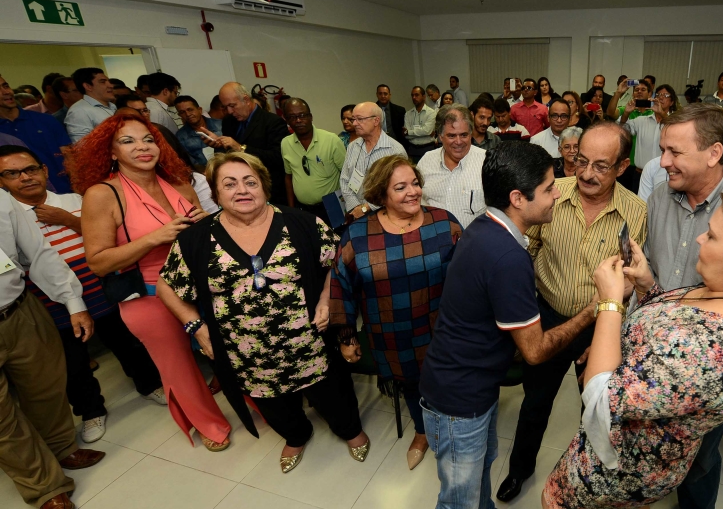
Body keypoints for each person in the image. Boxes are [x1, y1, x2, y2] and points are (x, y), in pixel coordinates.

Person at [544, 185, 723, 509]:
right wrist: (647, 284)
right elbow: (673, 326)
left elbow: (601, 397)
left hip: (618, 471)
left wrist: (609, 303)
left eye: (713, 236)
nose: (701, 239)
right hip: (609, 442)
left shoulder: (720, 349)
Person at [156, 151, 369, 472]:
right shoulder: (195, 239)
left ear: (265, 187)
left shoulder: (303, 223)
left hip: (310, 343)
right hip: (247, 354)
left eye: (249, 182)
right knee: (274, 405)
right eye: (229, 184)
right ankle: (296, 435)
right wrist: (197, 327)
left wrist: (326, 299)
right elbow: (166, 287)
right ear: (215, 193)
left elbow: (335, 266)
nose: (241, 190)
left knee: (333, 394)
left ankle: (351, 431)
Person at [420, 140, 596, 509]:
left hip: (469, 388)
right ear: (517, 197)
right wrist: (592, 310)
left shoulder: (485, 227)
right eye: (549, 188)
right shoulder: (508, 257)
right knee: (459, 502)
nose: (556, 197)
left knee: (477, 485)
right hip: (459, 400)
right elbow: (534, 352)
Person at [497, 122, 647, 503]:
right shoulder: (549, 195)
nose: (586, 174)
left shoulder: (636, 212)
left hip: (600, 327)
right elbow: (523, 252)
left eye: (601, 165)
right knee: (535, 403)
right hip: (545, 317)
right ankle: (519, 470)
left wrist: (607, 331)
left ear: (622, 166)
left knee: (597, 412)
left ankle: (588, 484)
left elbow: (632, 280)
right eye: (581, 161)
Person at [76, 111, 233, 451]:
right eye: (128, 141)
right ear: (111, 151)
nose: (142, 147)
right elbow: (98, 262)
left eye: (148, 139)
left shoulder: (178, 181)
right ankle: (208, 424)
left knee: (229, 350)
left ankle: (259, 405)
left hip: (202, 286)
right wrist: (154, 238)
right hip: (148, 296)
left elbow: (206, 233)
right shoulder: (102, 194)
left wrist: (207, 222)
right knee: (179, 367)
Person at [0, 145, 165, 443]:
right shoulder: (8, 218)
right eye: (12, 174)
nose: (24, 178)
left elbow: (114, 238)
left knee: (128, 342)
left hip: (102, 289)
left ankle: (150, 384)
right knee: (73, 363)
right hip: (53, 302)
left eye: (31, 169)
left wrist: (69, 220)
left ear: (44, 171)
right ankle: (91, 412)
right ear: (1, 181)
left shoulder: (77, 201)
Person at [641, 103, 723, 508]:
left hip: (708, 380)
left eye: (675, 152)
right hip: (653, 363)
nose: (663, 161)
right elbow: (655, 272)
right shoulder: (659, 196)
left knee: (700, 463)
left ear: (714, 153)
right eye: (663, 149)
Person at [331, 155, 462, 471]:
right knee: (412, 385)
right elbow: (341, 284)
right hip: (392, 331)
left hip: (443, 328)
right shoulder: (359, 234)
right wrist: (347, 336)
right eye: (400, 187)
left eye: (415, 183)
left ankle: (454, 428)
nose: (413, 192)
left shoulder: (444, 223)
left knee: (448, 381)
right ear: (381, 194)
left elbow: (468, 278)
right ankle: (422, 432)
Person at [0, 185, 107, 509]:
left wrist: (73, 301)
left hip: (19, 310)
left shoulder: (1, 199)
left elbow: (38, 251)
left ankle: (62, 448)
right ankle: (45, 486)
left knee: (45, 388)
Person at [204, 82, 289, 205]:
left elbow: (277, 158)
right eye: (225, 107)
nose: (229, 111)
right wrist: (218, 144)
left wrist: (241, 148)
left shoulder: (273, 122)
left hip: (268, 191)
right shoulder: (229, 121)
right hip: (238, 189)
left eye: (232, 105)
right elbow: (228, 153)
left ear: (246, 100)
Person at [0, 74, 75, 193]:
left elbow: (70, 158)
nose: (6, 92)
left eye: (6, 86)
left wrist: (79, 190)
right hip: (21, 203)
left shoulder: (46, 120)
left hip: (65, 194)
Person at [417, 105, 487, 227]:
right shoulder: (426, 161)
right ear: (440, 136)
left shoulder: (486, 162)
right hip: (434, 239)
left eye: (464, 135)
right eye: (452, 136)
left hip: (474, 243)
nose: (459, 141)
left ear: (471, 134)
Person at [281, 98, 345, 225]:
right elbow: (289, 177)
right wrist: (291, 209)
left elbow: (347, 175)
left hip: (332, 206)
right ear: (286, 120)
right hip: (303, 209)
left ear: (311, 117)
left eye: (302, 115)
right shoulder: (285, 143)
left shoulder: (331, 140)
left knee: (337, 242)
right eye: (292, 117)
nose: (298, 120)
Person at [339, 102, 408, 214]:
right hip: (356, 212)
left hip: (386, 213)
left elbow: (400, 189)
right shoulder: (352, 146)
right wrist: (355, 207)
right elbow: (344, 179)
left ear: (376, 121)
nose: (355, 123)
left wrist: (367, 208)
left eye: (360, 119)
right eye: (353, 119)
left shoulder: (394, 150)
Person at [64, 67, 117, 143]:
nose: (111, 86)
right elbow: (82, 146)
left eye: (108, 81)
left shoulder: (113, 106)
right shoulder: (79, 111)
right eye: (102, 82)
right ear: (88, 86)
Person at [174, 95, 223, 168]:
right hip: (203, 175)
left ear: (199, 110)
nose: (187, 114)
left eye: (190, 109)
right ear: (179, 115)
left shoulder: (221, 125)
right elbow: (187, 163)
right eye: (182, 112)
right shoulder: (180, 137)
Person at [405, 86, 438, 161]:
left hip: (427, 149)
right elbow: (406, 136)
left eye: (416, 95)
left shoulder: (431, 113)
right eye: (412, 95)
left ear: (424, 97)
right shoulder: (408, 114)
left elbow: (427, 130)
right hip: (412, 150)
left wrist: (409, 132)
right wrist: (424, 133)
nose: (414, 97)